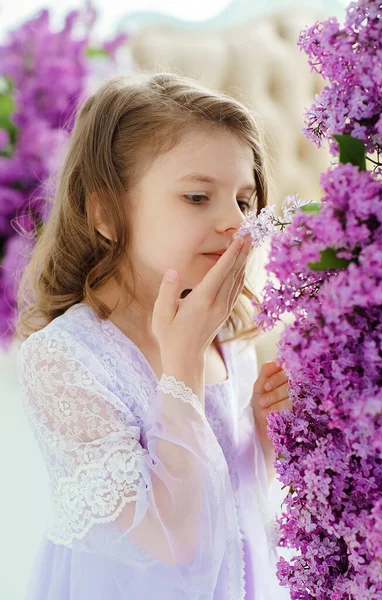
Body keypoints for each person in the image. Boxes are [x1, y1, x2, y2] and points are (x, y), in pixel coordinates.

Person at [16, 72, 291, 599]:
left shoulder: (227, 335)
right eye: (196, 196)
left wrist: (262, 432)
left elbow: (236, 504)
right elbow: (176, 542)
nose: (236, 223)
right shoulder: (64, 360)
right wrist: (181, 359)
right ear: (106, 214)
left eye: (244, 201)